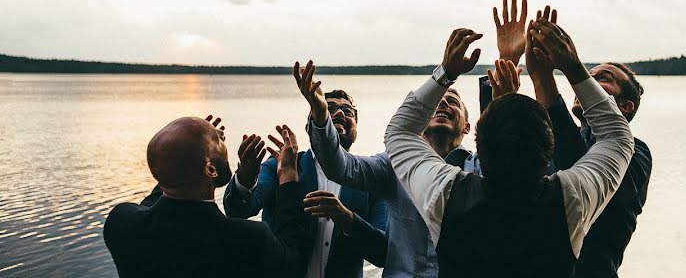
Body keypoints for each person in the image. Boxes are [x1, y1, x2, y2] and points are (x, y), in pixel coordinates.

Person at [384, 24, 635, 278]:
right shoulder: (570, 200)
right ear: (549, 151)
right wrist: (571, 65)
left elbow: (400, 132)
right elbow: (617, 138)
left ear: (479, 147)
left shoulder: (446, 195)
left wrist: (446, 73)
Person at [483, 0, 652, 277]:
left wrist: (552, 75)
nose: (587, 80)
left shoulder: (636, 153)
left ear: (624, 106)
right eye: (588, 74)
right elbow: (499, 162)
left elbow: (577, 180)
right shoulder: (551, 140)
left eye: (603, 78)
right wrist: (508, 61)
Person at [296, 59, 481, 278]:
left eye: (452, 102)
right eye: (437, 101)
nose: (442, 104)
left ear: (467, 127)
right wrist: (320, 114)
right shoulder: (392, 165)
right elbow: (340, 167)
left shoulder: (478, 169)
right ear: (420, 121)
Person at [103, 115, 310, 278]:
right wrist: (288, 175)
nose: (222, 138)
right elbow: (295, 262)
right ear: (210, 170)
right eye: (218, 140)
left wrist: (186, 147)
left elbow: (165, 182)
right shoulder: (247, 239)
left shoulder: (121, 222)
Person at [223, 83, 387, 278]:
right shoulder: (283, 163)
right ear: (310, 126)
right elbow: (238, 210)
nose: (340, 114)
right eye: (329, 109)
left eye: (347, 111)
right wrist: (246, 178)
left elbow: (383, 253)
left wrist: (346, 218)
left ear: (356, 131)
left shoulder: (370, 178)